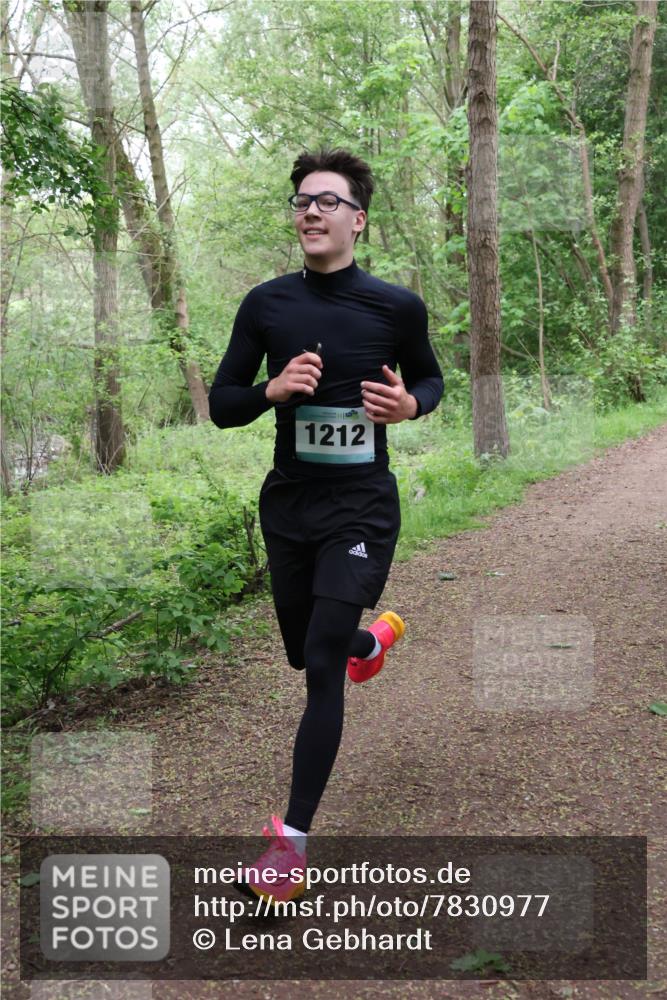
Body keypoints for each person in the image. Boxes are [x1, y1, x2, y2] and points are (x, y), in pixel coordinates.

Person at [208, 147, 443, 905]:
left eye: (326, 200)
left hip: (362, 505)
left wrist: (409, 407)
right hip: (290, 505)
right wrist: (272, 389)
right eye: (301, 201)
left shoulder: (395, 307)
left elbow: (432, 377)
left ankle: (289, 848)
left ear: (357, 220)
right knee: (306, 644)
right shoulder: (266, 304)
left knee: (316, 665)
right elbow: (222, 403)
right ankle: (366, 643)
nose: (309, 210)